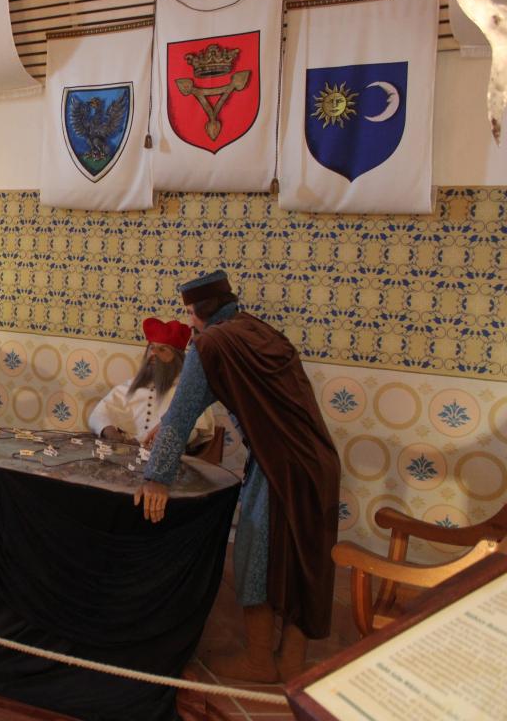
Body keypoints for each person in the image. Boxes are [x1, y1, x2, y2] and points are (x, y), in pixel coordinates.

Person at [134, 271, 340, 682]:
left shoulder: (211, 344)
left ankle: (259, 662)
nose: (189, 323)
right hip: (318, 463)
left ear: (196, 312)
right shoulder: (260, 332)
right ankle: (291, 661)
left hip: (278, 467)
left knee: (254, 556)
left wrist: (156, 477)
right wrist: (166, 426)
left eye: (189, 315)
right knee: (302, 560)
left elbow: (182, 416)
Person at [87, 317, 214, 447]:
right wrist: (114, 435)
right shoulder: (128, 387)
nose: (153, 353)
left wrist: (165, 439)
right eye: (151, 347)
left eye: (162, 349)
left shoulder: (189, 392)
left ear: (177, 358)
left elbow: (194, 432)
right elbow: (99, 415)